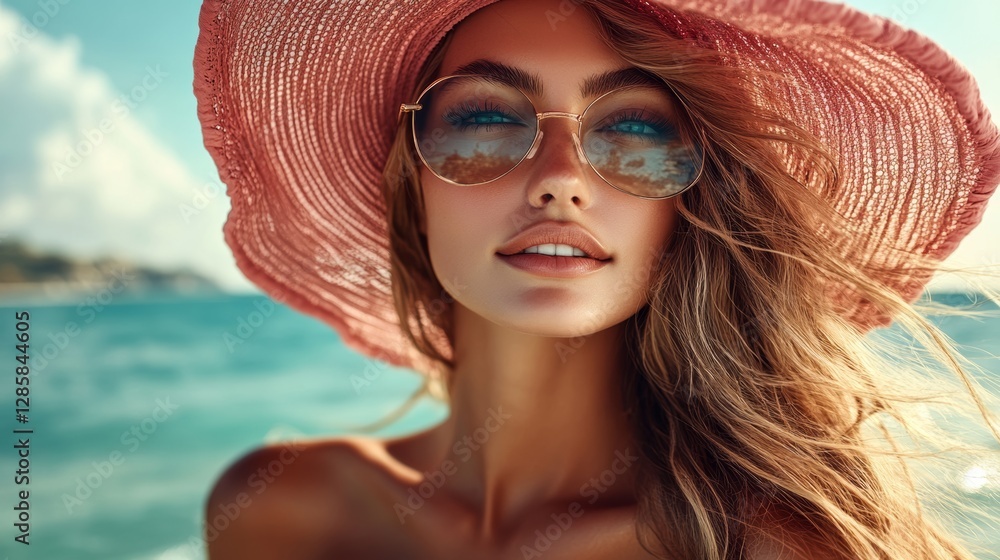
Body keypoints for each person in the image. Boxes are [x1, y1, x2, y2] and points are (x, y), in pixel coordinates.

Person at [192, 0, 1000, 558]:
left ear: (692, 200)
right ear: (410, 179)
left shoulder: (773, 550)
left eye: (635, 127)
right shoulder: (276, 509)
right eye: (483, 115)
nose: (560, 179)